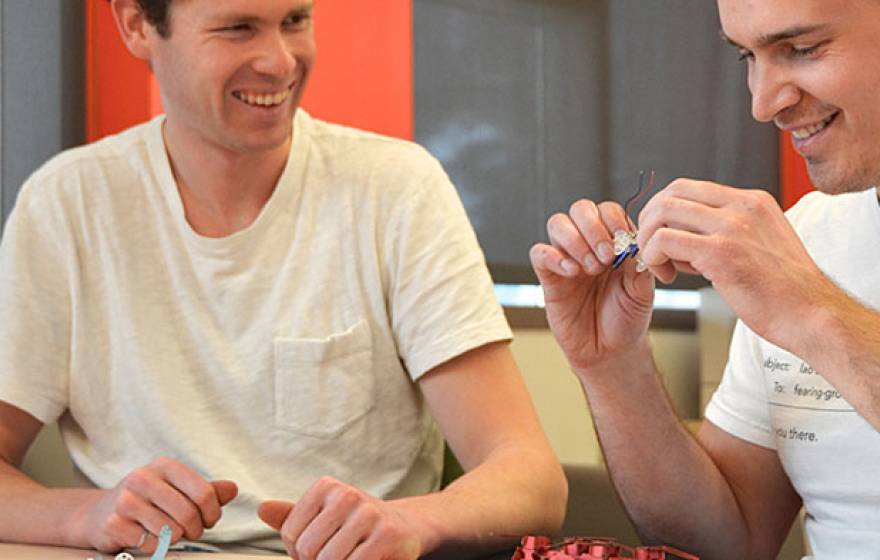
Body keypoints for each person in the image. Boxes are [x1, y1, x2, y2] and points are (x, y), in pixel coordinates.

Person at [0, 0, 567, 558]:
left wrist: (407, 522)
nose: (280, 61)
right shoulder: (67, 203)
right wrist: (88, 514)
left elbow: (530, 478)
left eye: (295, 21)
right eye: (237, 28)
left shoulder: (396, 189)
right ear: (137, 26)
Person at [529, 0, 880, 558]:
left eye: (802, 49)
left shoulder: (794, 277)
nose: (762, 104)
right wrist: (614, 368)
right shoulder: (806, 237)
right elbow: (724, 541)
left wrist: (811, 311)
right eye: (748, 56)